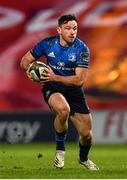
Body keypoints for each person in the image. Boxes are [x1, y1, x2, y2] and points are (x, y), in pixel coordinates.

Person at [20, 14, 99, 170]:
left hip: (74, 92)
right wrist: (31, 71)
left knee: (87, 135)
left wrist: (54, 76)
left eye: (75, 28)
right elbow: (24, 62)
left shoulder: (82, 49)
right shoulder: (47, 44)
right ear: (59, 30)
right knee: (63, 110)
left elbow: (79, 80)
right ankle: (60, 151)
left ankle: (83, 159)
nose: (72, 32)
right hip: (53, 88)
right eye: (68, 28)